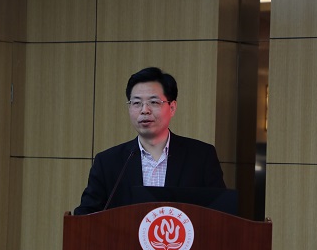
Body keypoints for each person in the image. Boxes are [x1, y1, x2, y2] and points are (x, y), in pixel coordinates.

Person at [74, 67, 226, 215]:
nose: (144, 110)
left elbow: (221, 214)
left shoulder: (201, 156)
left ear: (172, 107)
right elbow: (84, 216)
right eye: (136, 103)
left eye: (154, 102)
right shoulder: (108, 162)